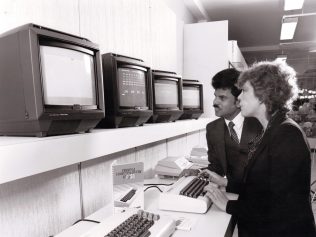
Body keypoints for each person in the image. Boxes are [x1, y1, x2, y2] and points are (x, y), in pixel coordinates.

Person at [204, 61, 316, 237]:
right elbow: (263, 186)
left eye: (245, 91)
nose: (239, 97)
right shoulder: (274, 129)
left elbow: (279, 205)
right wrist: (227, 183)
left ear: (264, 94)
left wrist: (228, 205)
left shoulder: (287, 134)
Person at [182, 68, 262, 194]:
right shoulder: (213, 129)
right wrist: (198, 172)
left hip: (260, 197)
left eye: (222, 98)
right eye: (215, 96)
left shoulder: (259, 125)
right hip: (231, 195)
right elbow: (216, 167)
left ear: (238, 101)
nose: (214, 102)